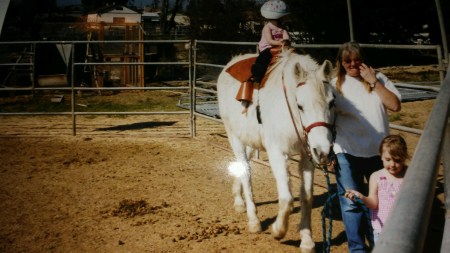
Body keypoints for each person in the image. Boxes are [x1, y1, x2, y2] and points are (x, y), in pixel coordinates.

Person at [331, 41, 402, 253]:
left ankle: (378, 245)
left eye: (357, 59)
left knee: (378, 201)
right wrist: (328, 152)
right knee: (351, 203)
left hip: (378, 152)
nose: (353, 64)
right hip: (346, 151)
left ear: (364, 60)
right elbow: (325, 118)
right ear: (341, 63)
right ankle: (357, 249)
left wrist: (374, 82)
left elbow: (395, 105)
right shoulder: (334, 84)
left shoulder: (379, 78)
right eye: (348, 61)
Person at [344, 134, 409, 245]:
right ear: (381, 157)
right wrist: (361, 197)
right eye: (388, 159)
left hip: (403, 230)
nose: (392, 164)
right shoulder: (377, 177)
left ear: (404, 158)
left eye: (397, 160)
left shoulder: (408, 175)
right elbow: (373, 203)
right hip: (381, 230)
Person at [251, 0, 290, 84]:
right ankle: (257, 75)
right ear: (278, 17)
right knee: (264, 58)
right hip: (267, 47)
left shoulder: (282, 28)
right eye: (283, 17)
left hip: (280, 46)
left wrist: (286, 41)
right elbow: (270, 41)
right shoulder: (267, 27)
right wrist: (281, 43)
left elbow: (286, 36)